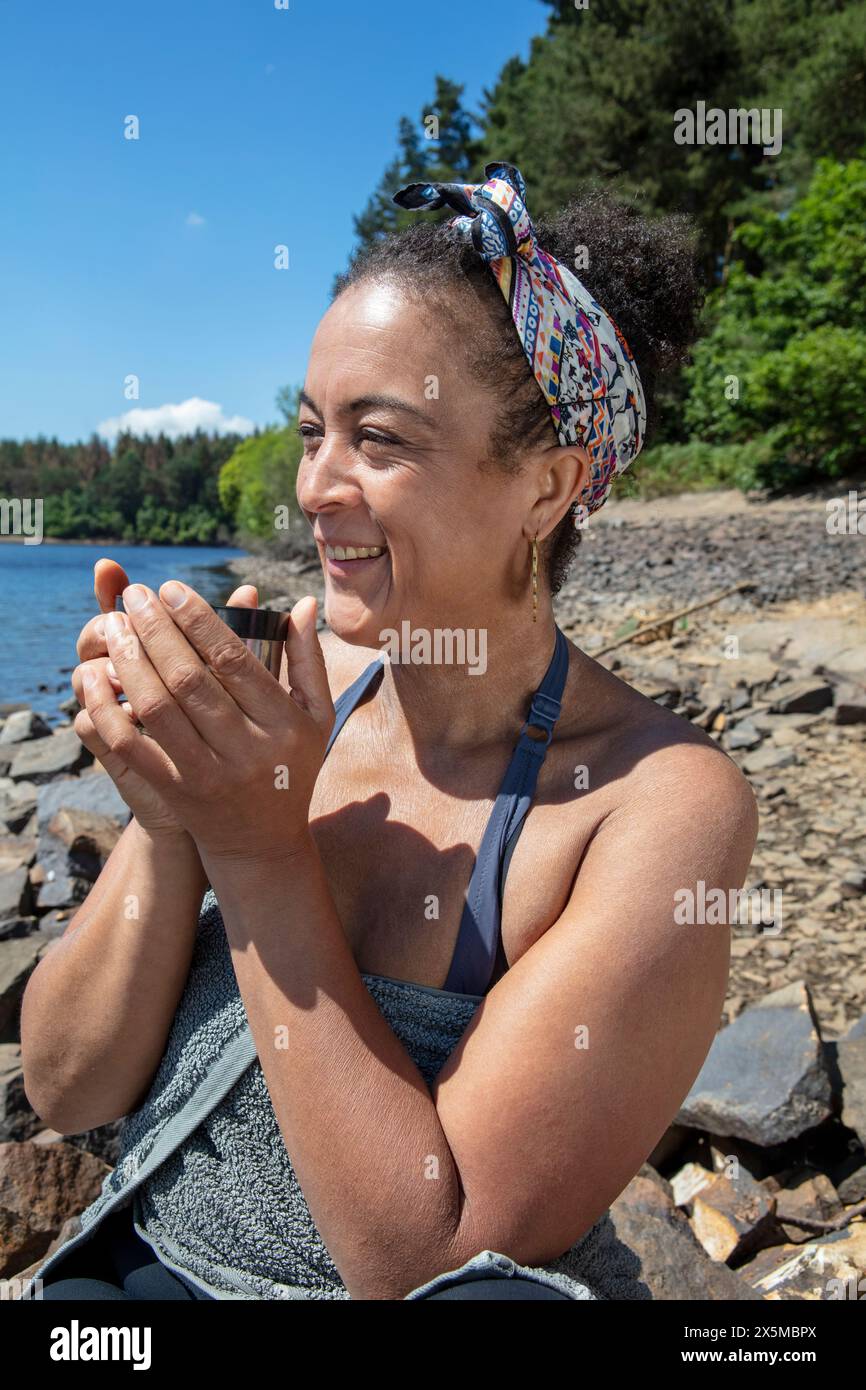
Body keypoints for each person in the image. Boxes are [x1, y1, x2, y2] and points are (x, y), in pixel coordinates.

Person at [20, 162, 757, 1302]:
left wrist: (259, 852)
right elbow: (69, 1092)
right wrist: (171, 819)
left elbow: (424, 1256)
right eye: (312, 429)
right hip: (153, 1281)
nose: (314, 484)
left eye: (379, 440)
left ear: (546, 486)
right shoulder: (288, 679)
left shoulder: (655, 802)